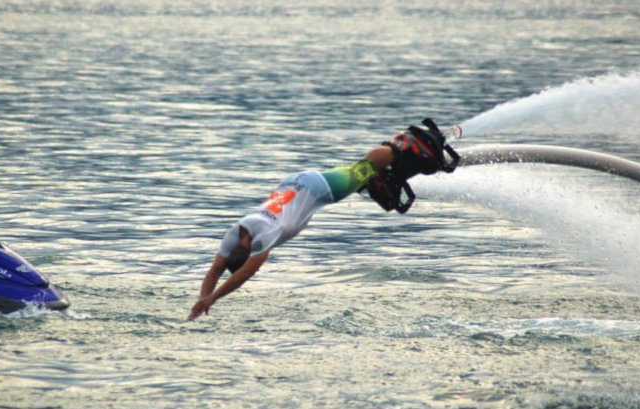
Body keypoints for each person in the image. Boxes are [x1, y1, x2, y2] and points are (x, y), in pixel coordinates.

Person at [187, 119, 461, 321]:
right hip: (295, 183)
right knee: (368, 179)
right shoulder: (234, 235)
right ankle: (398, 162)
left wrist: (214, 298)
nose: (256, 266)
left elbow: (245, 274)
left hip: (318, 190)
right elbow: (215, 270)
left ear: (247, 254)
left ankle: (402, 145)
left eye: (252, 262)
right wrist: (203, 300)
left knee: (361, 170)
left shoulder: (264, 234)